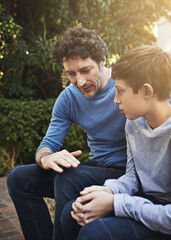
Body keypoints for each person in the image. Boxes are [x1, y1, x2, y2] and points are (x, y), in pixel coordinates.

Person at [7, 26, 127, 240]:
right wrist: (46, 157)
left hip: (124, 173)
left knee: (69, 176)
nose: (79, 82)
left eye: (86, 70)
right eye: (71, 73)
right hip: (94, 168)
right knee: (18, 179)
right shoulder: (69, 98)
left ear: (102, 61)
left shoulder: (125, 85)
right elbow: (48, 144)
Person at [60, 46, 171, 240]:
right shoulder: (133, 122)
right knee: (72, 212)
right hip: (145, 202)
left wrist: (115, 203)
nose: (115, 99)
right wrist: (107, 190)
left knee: (94, 233)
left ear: (146, 91)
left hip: (164, 217)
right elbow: (133, 175)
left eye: (120, 91)